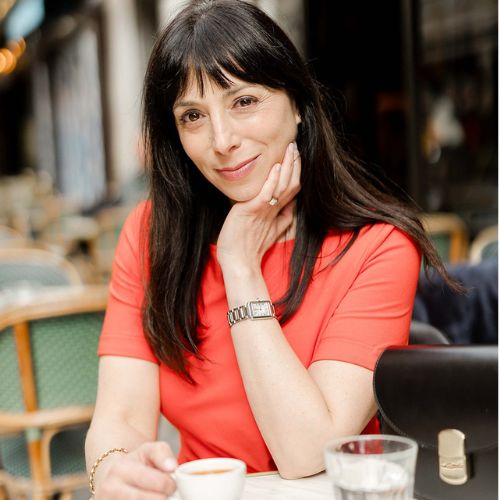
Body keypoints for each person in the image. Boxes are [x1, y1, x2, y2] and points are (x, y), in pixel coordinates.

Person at [85, 1, 455, 497]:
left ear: (297, 104)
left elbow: (308, 452)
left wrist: (240, 266)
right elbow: (121, 418)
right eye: (193, 116)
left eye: (243, 101)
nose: (222, 140)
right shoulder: (150, 234)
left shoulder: (379, 246)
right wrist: (112, 468)